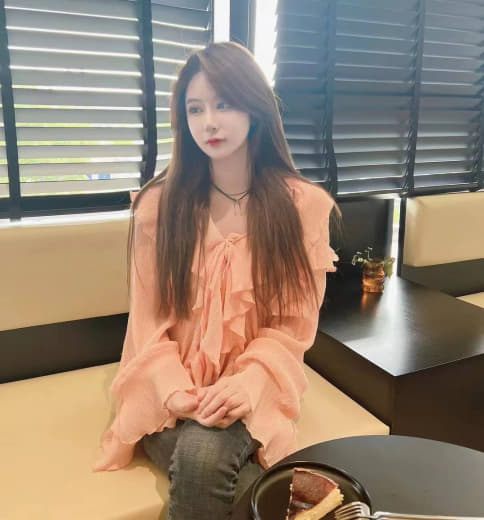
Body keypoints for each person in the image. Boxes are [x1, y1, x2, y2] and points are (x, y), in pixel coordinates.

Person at [92, 41, 340, 519]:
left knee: (203, 459)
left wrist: (247, 383)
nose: (209, 122)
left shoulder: (302, 207)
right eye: (195, 108)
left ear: (254, 106)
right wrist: (176, 392)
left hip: (256, 385)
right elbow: (147, 324)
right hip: (168, 393)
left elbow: (293, 328)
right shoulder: (159, 207)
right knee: (212, 463)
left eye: (224, 103)